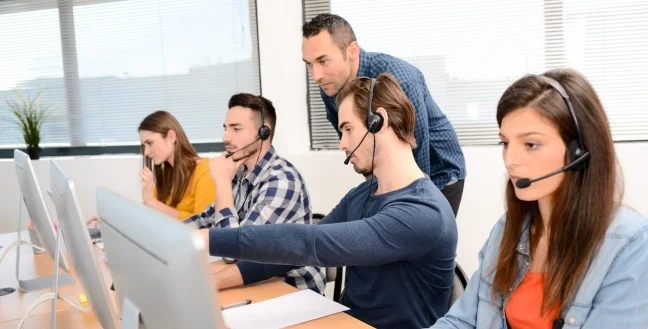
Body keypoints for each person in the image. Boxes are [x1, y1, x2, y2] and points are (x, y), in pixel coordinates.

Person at [200, 75, 458, 329]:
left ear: (379, 121)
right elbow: (291, 252)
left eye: (347, 129)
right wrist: (212, 282)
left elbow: (312, 244)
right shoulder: (362, 194)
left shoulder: (424, 212)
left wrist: (205, 239)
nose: (342, 144)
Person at [431, 69, 648, 329]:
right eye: (505, 143)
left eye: (530, 144)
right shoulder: (508, 229)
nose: (510, 159)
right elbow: (462, 321)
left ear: (579, 152)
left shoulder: (630, 245)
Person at [302, 13, 466, 216]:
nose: (316, 75)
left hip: (438, 168)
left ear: (352, 50)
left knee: (422, 236)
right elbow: (359, 147)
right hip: (391, 173)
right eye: (309, 64)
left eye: (323, 61)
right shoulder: (330, 86)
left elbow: (416, 153)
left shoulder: (401, 80)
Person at [184, 93, 326, 294]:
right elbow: (205, 220)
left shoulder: (282, 180)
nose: (225, 137)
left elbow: (236, 252)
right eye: (225, 128)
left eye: (236, 128)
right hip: (258, 284)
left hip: (292, 292)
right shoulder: (238, 173)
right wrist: (165, 237)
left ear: (263, 132)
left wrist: (222, 182)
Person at [88, 110, 215, 226]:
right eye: (144, 145)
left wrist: (153, 203)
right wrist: (112, 221)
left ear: (171, 137)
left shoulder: (206, 171)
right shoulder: (167, 174)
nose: (146, 152)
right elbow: (145, 210)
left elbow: (203, 225)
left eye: (150, 143)